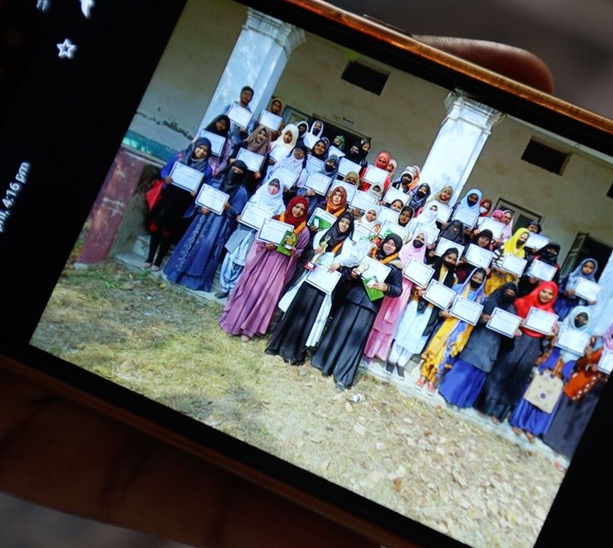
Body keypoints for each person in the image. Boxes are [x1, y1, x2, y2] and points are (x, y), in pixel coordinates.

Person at [3, 36, 553, 546]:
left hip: (349, 281)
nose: (383, 176)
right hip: (296, 255)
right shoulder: (312, 204)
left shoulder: (403, 234)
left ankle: (292, 346)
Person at [265, 212, 365, 365]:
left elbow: (348, 269)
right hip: (309, 279)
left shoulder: (349, 247)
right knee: (296, 311)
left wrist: (340, 265)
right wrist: (315, 252)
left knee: (310, 318)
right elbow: (307, 253)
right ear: (338, 221)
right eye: (342, 221)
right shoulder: (323, 235)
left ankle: (294, 352)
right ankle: (278, 345)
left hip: (324, 287)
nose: (344, 225)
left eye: (347, 224)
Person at [311, 234, 404, 391]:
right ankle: (323, 362)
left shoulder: (396, 267)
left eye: (393, 245)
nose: (389, 246)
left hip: (369, 306)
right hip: (352, 298)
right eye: (387, 243)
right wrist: (353, 274)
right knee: (338, 331)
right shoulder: (369, 256)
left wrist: (386, 288)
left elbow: (398, 289)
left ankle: (343, 376)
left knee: (354, 341)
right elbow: (350, 273)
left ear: (397, 249)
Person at [219, 196, 310, 341]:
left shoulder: (304, 231)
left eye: (302, 209)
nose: (298, 211)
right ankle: (234, 322)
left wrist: (293, 251)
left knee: (266, 296)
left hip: (279, 267)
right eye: (296, 207)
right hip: (262, 260)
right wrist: (265, 245)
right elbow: (260, 238)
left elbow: (300, 251)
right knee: (251, 289)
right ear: (291, 205)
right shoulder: (275, 219)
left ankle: (249, 329)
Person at [543, 321, 613, 460]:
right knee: (568, 411)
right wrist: (591, 365)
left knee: (583, 418)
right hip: (583, 381)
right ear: (611, 331)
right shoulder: (599, 343)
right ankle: (552, 440)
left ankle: (567, 450)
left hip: (598, 390)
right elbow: (580, 363)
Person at [477, 280, 558, 423]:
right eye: (544, 291)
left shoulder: (551, 316)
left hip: (532, 347)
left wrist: (549, 336)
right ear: (538, 290)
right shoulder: (521, 303)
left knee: (517, 378)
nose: (546, 295)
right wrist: (517, 323)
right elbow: (506, 320)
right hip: (515, 341)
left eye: (550, 294)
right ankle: (484, 406)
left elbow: (546, 342)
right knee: (501, 371)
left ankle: (499, 413)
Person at [508, 305, 593, 442]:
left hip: (562, 373)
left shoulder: (585, 339)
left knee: (547, 402)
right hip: (549, 367)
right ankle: (519, 422)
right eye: (579, 316)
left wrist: (587, 354)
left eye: (584, 319)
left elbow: (580, 363)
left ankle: (532, 429)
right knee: (532, 395)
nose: (580, 320)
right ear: (573, 315)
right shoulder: (559, 327)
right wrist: (552, 339)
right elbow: (545, 342)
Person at [164, 161, 249, 291]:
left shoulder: (241, 192)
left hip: (219, 225)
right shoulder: (216, 181)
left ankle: (195, 281)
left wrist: (228, 208)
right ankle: (177, 273)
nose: (235, 173)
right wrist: (201, 207)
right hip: (202, 217)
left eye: (239, 172)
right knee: (190, 243)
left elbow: (238, 213)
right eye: (234, 169)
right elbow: (201, 196)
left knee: (206, 248)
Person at [439, 282, 518, 408]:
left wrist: (513, 333)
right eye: (507, 292)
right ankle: (448, 394)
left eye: (512, 294)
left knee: (476, 376)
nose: (508, 296)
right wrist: (482, 319)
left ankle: (462, 402)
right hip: (476, 343)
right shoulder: (488, 302)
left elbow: (509, 337)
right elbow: (471, 319)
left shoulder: (512, 311)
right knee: (464, 370)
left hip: (492, 349)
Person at [362, 231, 427, 375]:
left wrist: (420, 286)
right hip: (388, 286)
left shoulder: (421, 262)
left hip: (403, 293)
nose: (419, 240)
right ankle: (364, 348)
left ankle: (373, 353)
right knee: (378, 317)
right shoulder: (401, 250)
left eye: (423, 239)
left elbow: (419, 282)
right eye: (418, 237)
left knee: (388, 322)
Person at [387, 248, 460, 377]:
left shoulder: (453, 278)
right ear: (444, 256)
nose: (451, 261)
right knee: (405, 329)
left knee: (417, 336)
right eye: (449, 258)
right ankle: (392, 360)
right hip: (416, 303)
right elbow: (415, 284)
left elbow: (450, 296)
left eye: (454, 260)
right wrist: (418, 289)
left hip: (432, 310)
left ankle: (401, 364)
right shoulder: (429, 268)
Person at [144, 137, 213, 271]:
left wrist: (197, 192)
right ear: (194, 147)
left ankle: (158, 261)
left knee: (168, 231)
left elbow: (206, 188)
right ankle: (149, 257)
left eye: (205, 150)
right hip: (167, 197)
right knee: (157, 226)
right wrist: (166, 178)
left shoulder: (207, 169)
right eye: (199, 147)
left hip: (183, 203)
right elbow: (165, 170)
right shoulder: (180, 156)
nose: (201, 152)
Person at [417, 267, 487, 395]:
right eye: (474, 277)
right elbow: (445, 304)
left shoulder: (482, 298)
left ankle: (432, 380)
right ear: (470, 276)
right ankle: (423, 375)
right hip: (447, 325)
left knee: (447, 354)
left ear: (483, 281)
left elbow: (476, 317)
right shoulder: (459, 288)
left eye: (479, 279)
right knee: (436, 348)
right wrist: (444, 313)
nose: (476, 280)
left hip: (461, 331)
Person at [216, 176, 286, 298]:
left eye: (277, 187)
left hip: (257, 239)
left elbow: (277, 226)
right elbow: (244, 211)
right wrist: (240, 217)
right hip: (242, 232)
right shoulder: (256, 197)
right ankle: (224, 287)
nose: (273, 188)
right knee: (230, 258)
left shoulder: (280, 207)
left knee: (245, 262)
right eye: (272, 184)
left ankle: (233, 290)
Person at [484, 227, 530, 296]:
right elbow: (491, 260)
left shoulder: (524, 254)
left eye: (525, 239)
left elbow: (519, 272)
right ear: (517, 235)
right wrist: (497, 269)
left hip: (506, 285)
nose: (522, 240)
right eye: (521, 237)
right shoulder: (504, 246)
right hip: (493, 279)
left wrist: (515, 275)